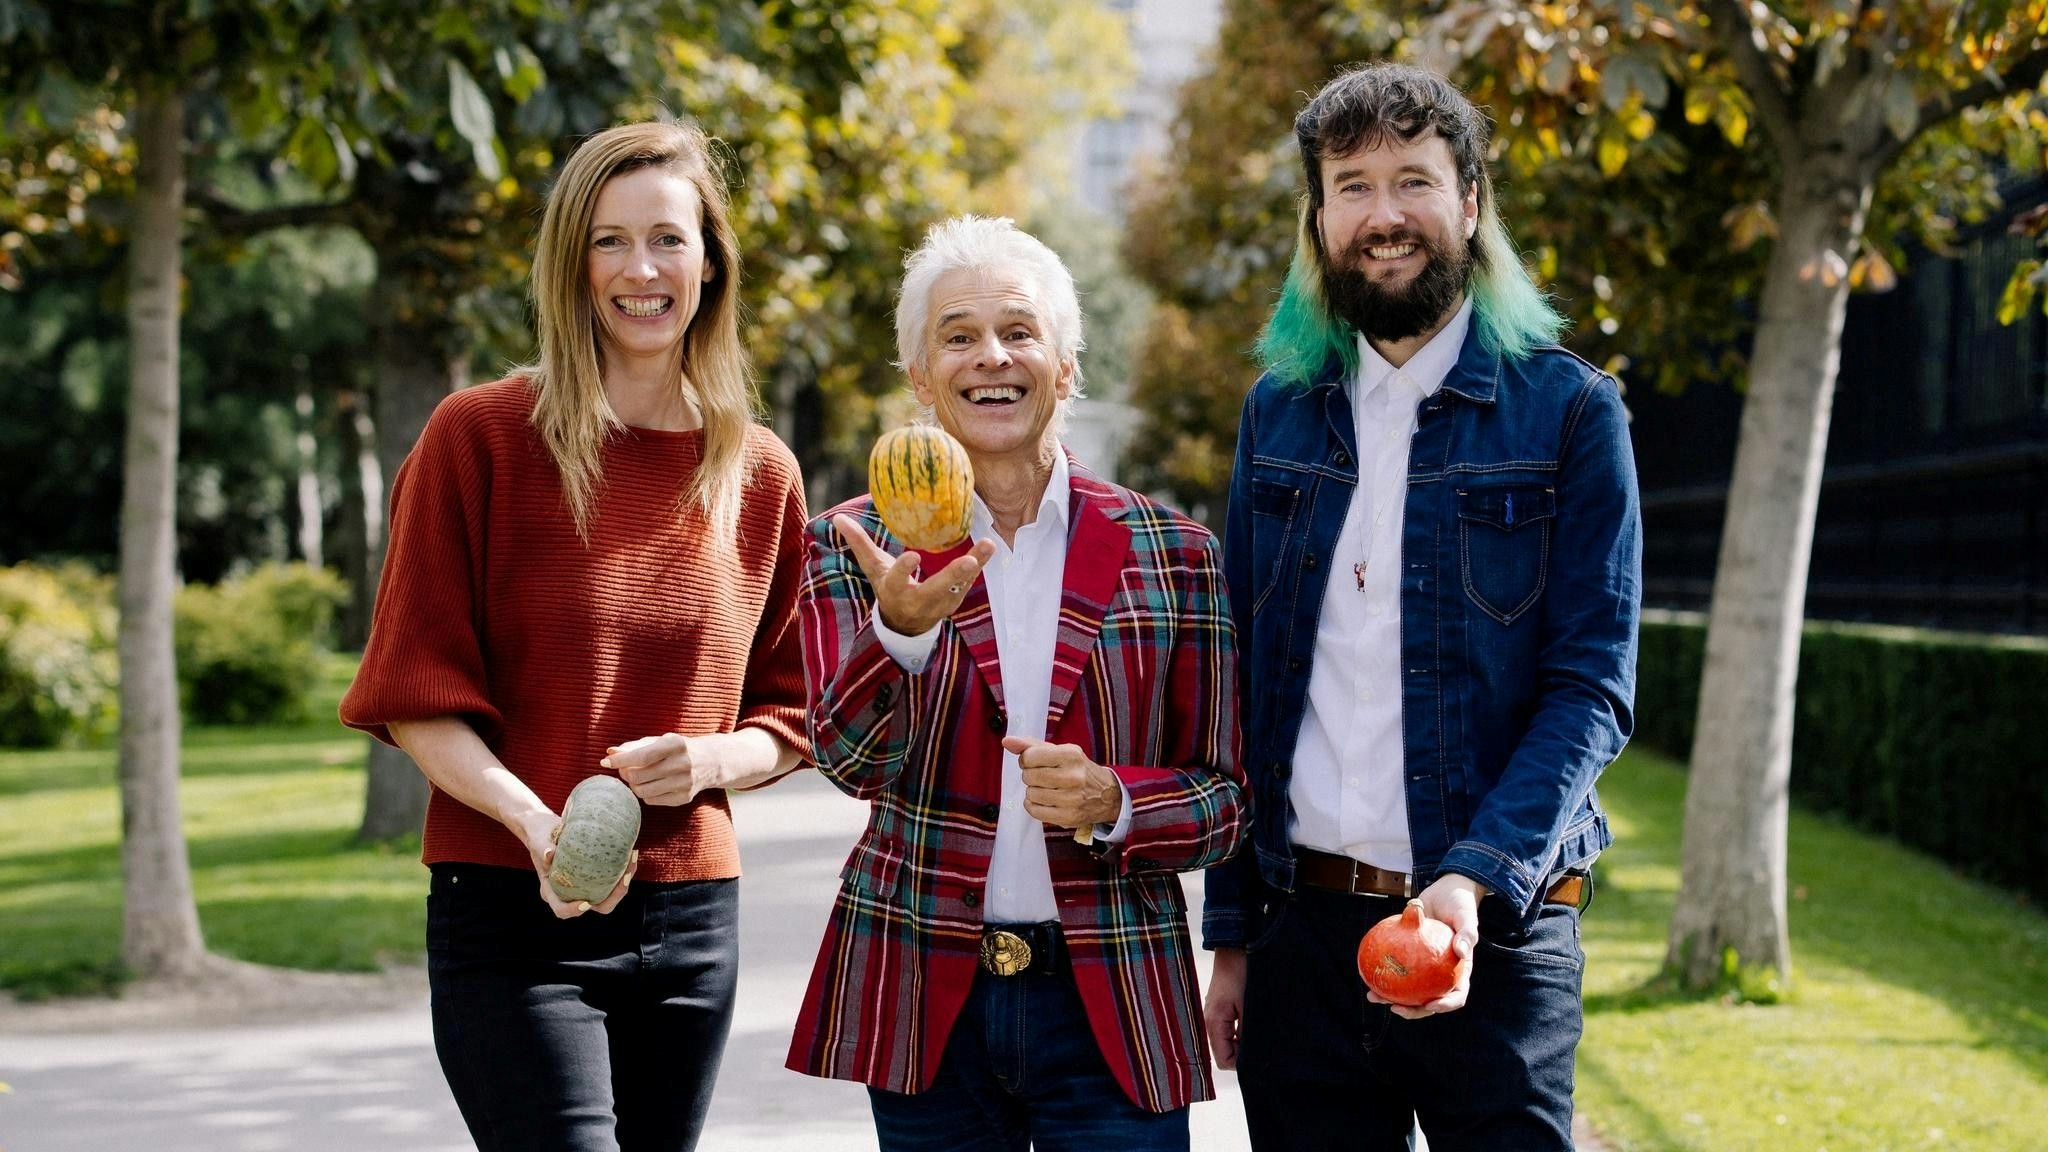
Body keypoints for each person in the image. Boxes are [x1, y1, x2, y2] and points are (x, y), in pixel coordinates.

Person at [339, 120, 811, 1152]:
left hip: (691, 917)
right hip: (512, 909)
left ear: (711, 262)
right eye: (608, 241)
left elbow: (789, 710)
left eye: (667, 239)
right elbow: (415, 692)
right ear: (570, 263)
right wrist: (532, 823)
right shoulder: (477, 440)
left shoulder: (759, 472)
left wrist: (705, 760)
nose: (640, 270)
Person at [1201, 63, 1642, 1151]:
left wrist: (1472, 881)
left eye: (1413, 180)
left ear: (1470, 203)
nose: (1382, 215)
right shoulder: (1278, 415)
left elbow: (1591, 689)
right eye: (1350, 186)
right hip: (1301, 941)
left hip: (1494, 941)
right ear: (1317, 216)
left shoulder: (1571, 415)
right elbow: (1239, 679)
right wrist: (1234, 937)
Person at [786, 215, 1246, 1151]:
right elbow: (843, 758)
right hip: (926, 992)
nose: (990, 355)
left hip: (1113, 996)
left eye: (1019, 332)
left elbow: (1230, 801)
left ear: (1066, 365)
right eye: (958, 335)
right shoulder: (858, 546)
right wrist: (898, 635)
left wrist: (1118, 799)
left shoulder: (1177, 556)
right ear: (921, 376)